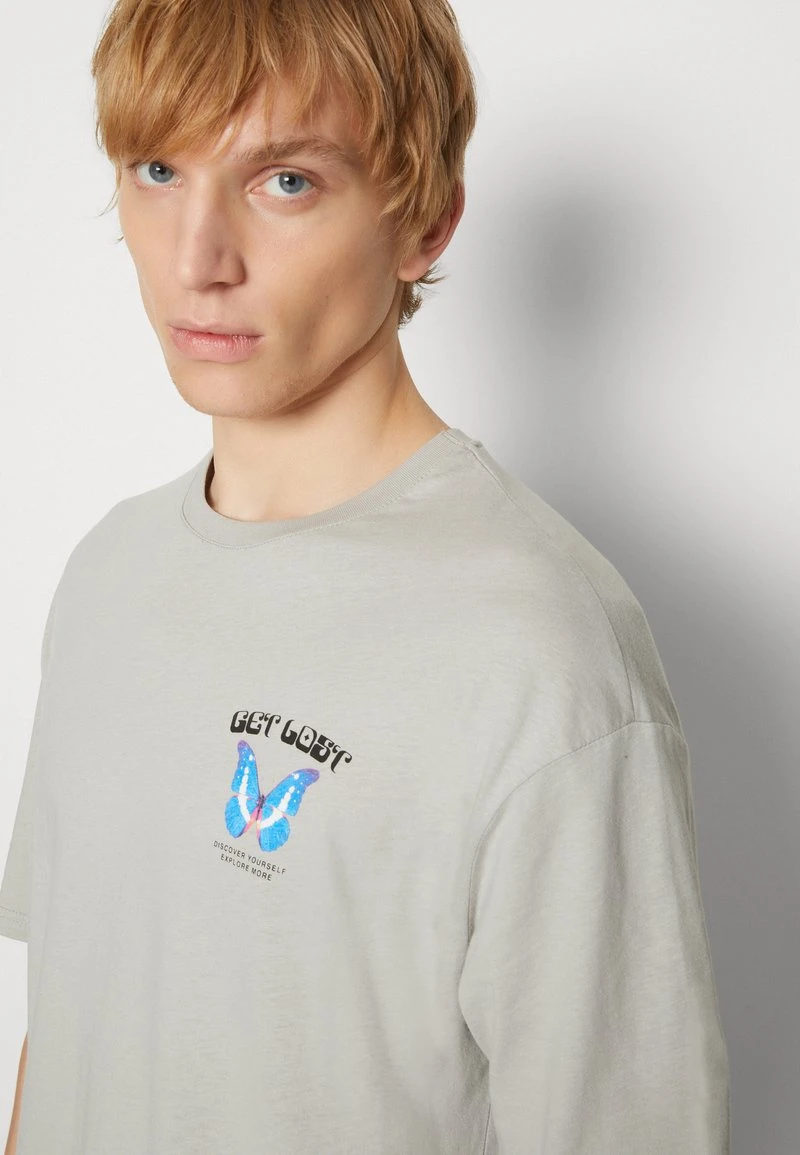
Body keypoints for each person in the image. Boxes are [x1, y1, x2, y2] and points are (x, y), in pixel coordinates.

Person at [0, 0, 731, 1152]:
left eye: (285, 182)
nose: (197, 261)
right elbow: (71, 1031)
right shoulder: (108, 575)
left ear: (423, 225)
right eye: (158, 171)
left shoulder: (538, 648)